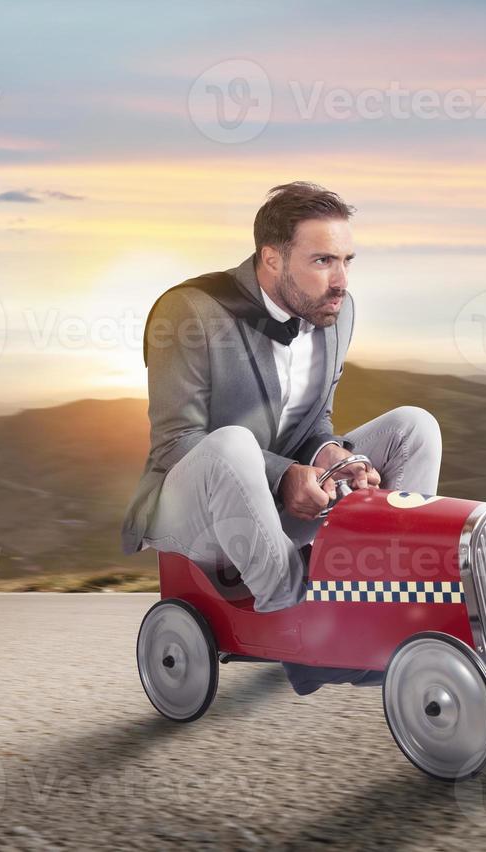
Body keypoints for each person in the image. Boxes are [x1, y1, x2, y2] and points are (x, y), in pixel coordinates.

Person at [120, 182, 443, 692]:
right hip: (193, 506)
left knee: (415, 426)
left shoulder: (337, 312)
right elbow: (176, 442)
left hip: (282, 503)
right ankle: (297, 622)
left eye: (347, 260)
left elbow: (314, 421)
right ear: (272, 260)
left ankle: (384, 596)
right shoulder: (188, 313)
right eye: (322, 261)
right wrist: (284, 475)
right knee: (231, 445)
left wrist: (330, 453)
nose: (341, 281)